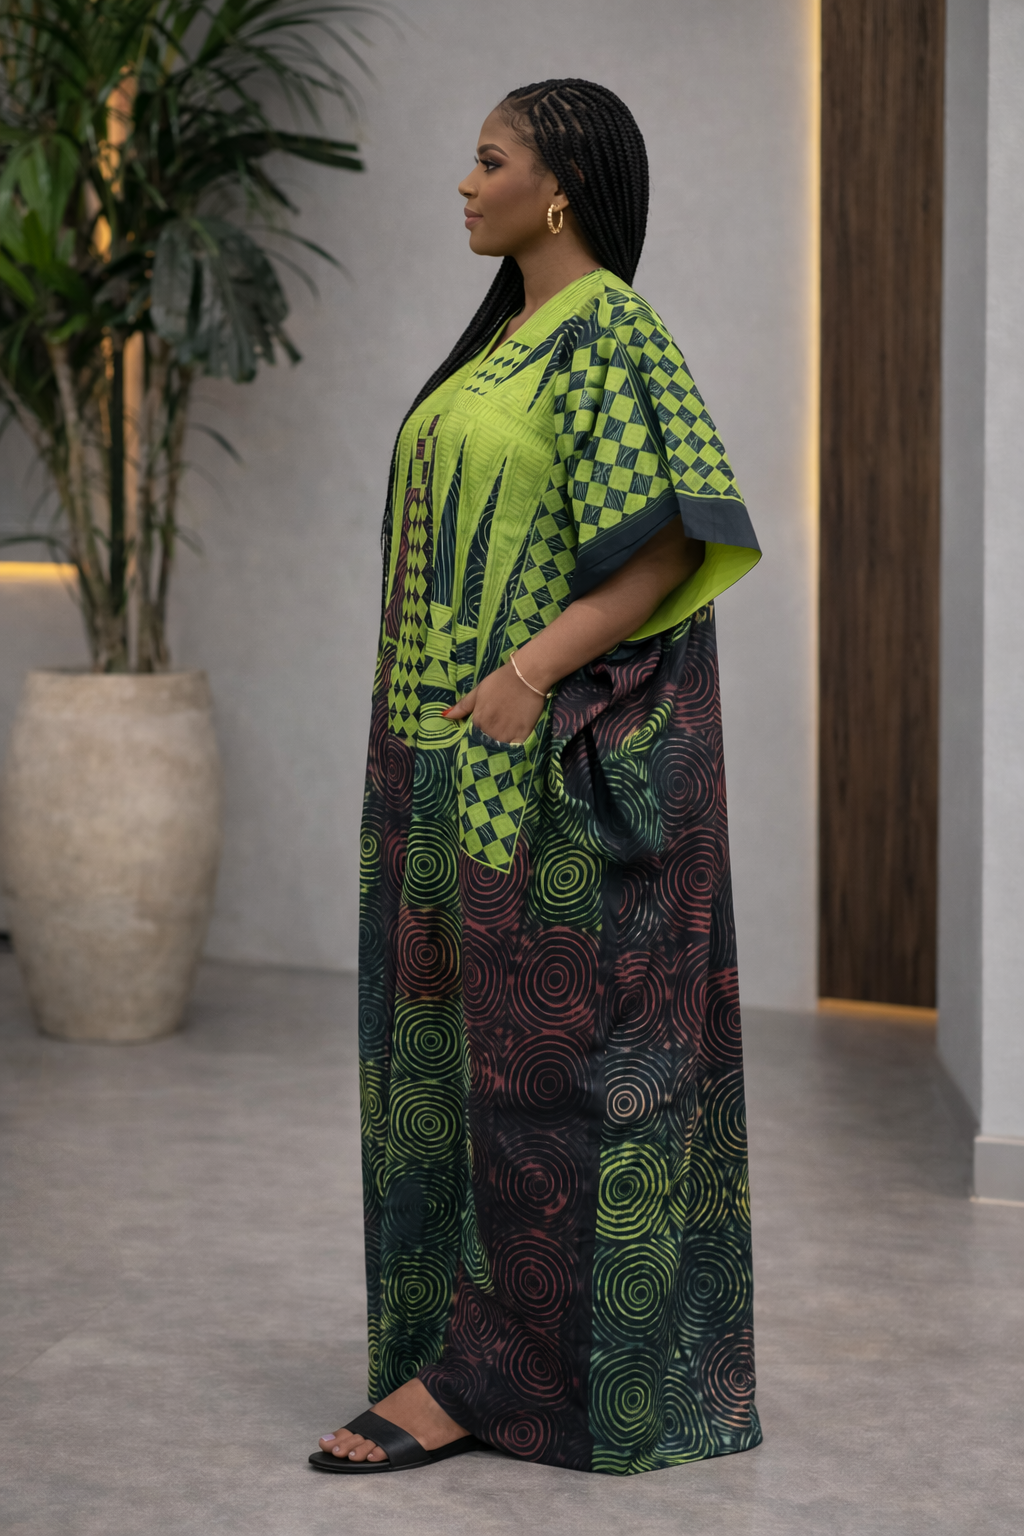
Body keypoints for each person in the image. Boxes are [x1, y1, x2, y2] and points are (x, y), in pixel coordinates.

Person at [310, 78, 763, 1478]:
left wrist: (523, 678)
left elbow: (671, 546)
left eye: (488, 159)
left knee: (553, 1080)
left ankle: (522, 1381)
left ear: (556, 188)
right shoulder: (504, 340)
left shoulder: (608, 329)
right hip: (444, 776)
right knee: (446, 1070)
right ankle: (461, 1354)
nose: (464, 180)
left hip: (540, 780)